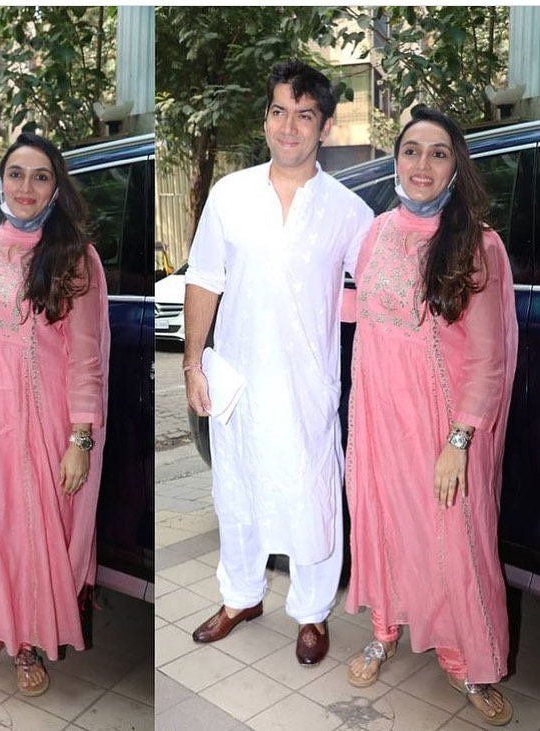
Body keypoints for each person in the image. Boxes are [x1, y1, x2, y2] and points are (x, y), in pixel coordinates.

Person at [184, 58, 373, 666]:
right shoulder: (230, 195)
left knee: (312, 497)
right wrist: (191, 364)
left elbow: (380, 288)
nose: (288, 127)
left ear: (325, 127)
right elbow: (204, 279)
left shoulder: (350, 212)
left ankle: (312, 611)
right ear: (265, 118)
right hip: (238, 379)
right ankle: (240, 598)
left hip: (305, 386)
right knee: (236, 491)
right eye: (278, 111)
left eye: (304, 115)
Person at [344, 106, 516, 727]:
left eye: (437, 153)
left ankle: (464, 657)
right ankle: (385, 629)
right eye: (411, 150)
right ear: (395, 160)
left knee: (454, 541)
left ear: (455, 167)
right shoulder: (375, 233)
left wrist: (458, 441)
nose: (422, 164)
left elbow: (489, 356)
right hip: (376, 417)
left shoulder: (478, 245)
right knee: (384, 522)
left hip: (441, 424)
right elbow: (360, 311)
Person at [0, 133, 109, 697]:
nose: (27, 187)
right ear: (1, 180)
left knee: (29, 535)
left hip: (40, 424)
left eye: (40, 176)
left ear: (56, 187)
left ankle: (29, 644)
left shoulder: (74, 257)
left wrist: (79, 439)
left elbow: (86, 357)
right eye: (16, 174)